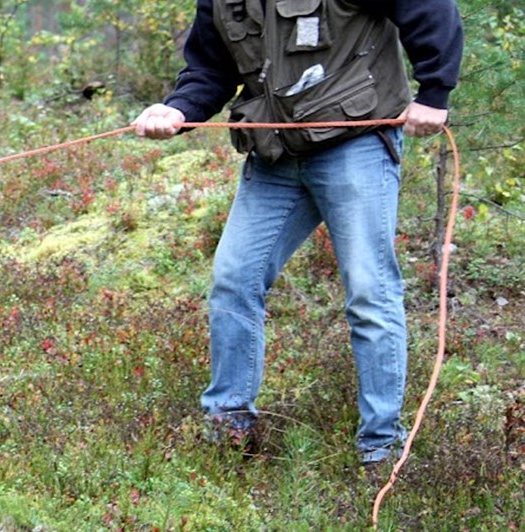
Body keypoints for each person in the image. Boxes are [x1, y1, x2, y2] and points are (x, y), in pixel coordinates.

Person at [131, 0, 463, 466]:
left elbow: (429, 9)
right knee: (233, 280)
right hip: (274, 157)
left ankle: (381, 447)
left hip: (355, 144)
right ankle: (229, 429)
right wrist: (176, 109)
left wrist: (434, 94)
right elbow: (209, 69)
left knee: (370, 292)